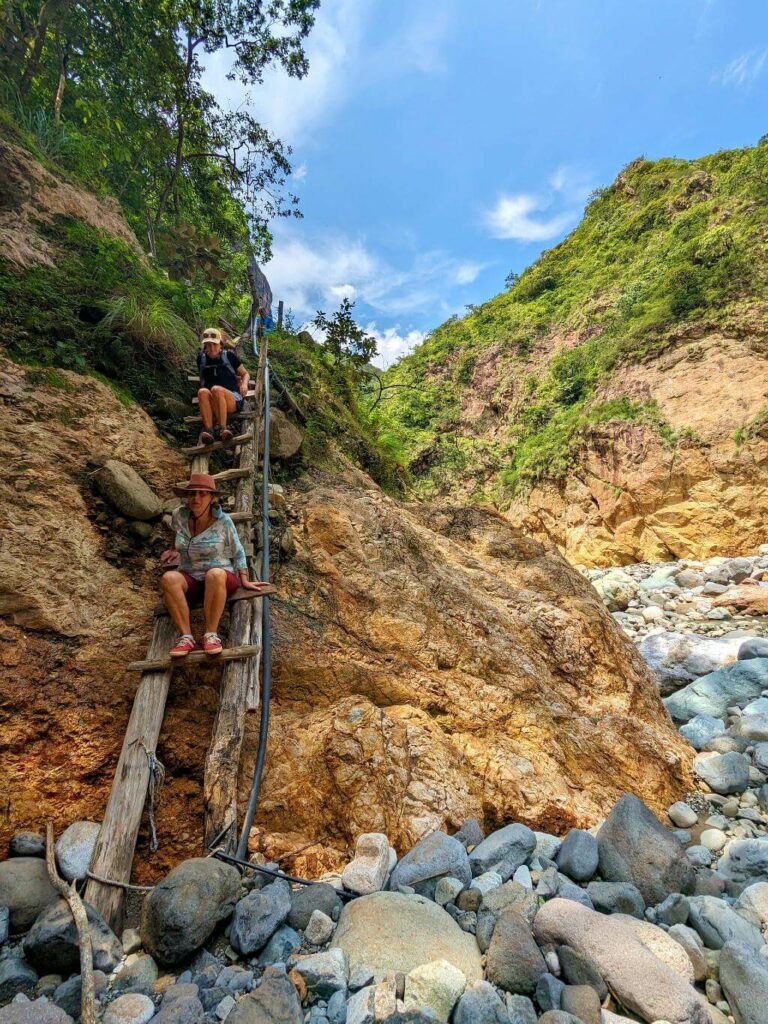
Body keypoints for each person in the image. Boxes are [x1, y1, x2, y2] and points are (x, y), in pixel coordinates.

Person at [160, 474, 271, 657]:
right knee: (168, 578)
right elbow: (176, 533)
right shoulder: (179, 515)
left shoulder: (223, 522)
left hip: (221, 578)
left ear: (212, 498)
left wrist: (245, 579)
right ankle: (186, 637)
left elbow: (238, 551)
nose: (196, 498)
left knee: (214, 574)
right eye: (193, 493)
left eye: (203, 494)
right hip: (191, 577)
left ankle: (211, 634)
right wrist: (173, 549)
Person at [197, 327, 250, 444]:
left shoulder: (229, 357)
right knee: (202, 392)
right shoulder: (201, 359)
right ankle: (209, 432)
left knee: (216, 389)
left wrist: (244, 384)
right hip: (213, 399)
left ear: (221, 344)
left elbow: (245, 374)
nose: (211, 348)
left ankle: (223, 430)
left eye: (214, 345)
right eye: (208, 345)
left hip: (232, 398)